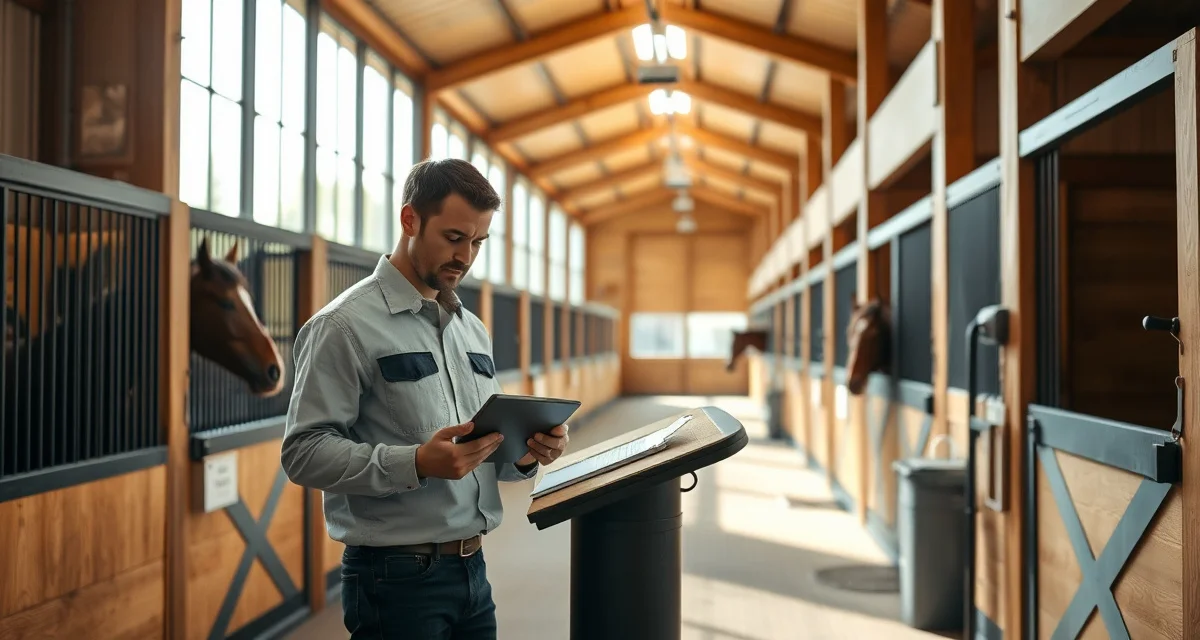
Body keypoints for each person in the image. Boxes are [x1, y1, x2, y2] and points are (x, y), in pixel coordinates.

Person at [281, 158, 570, 639]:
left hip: (474, 571)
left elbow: (483, 448)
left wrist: (525, 453)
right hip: (394, 581)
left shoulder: (471, 330)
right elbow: (302, 453)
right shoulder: (343, 326)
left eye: (478, 242)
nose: (466, 257)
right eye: (454, 238)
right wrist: (415, 462)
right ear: (410, 220)